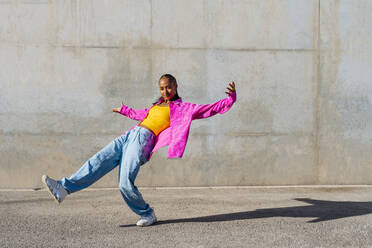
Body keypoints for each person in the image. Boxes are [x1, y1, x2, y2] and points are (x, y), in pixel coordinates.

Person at [42, 74, 237, 227]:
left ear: (176, 86)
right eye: (162, 88)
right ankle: (64, 188)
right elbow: (141, 115)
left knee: (124, 183)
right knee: (98, 160)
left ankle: (147, 213)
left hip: (144, 141)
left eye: (168, 87)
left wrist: (230, 99)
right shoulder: (157, 105)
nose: (165, 91)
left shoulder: (184, 108)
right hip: (131, 135)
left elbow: (209, 109)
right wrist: (125, 110)